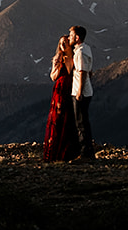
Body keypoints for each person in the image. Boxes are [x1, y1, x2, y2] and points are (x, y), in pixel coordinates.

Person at [41, 31, 80, 162]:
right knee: (58, 119)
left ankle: (69, 153)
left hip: (72, 89)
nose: (62, 45)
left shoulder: (75, 56)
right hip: (60, 90)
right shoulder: (58, 58)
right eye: (61, 43)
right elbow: (52, 77)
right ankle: (55, 153)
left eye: (65, 42)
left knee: (70, 119)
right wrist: (58, 67)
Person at [71, 25, 96, 159]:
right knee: (83, 121)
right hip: (85, 90)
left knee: (80, 122)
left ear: (77, 37)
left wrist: (79, 91)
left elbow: (82, 72)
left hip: (80, 91)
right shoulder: (86, 49)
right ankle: (87, 151)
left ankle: (85, 153)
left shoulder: (80, 52)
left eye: (71, 35)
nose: (69, 37)